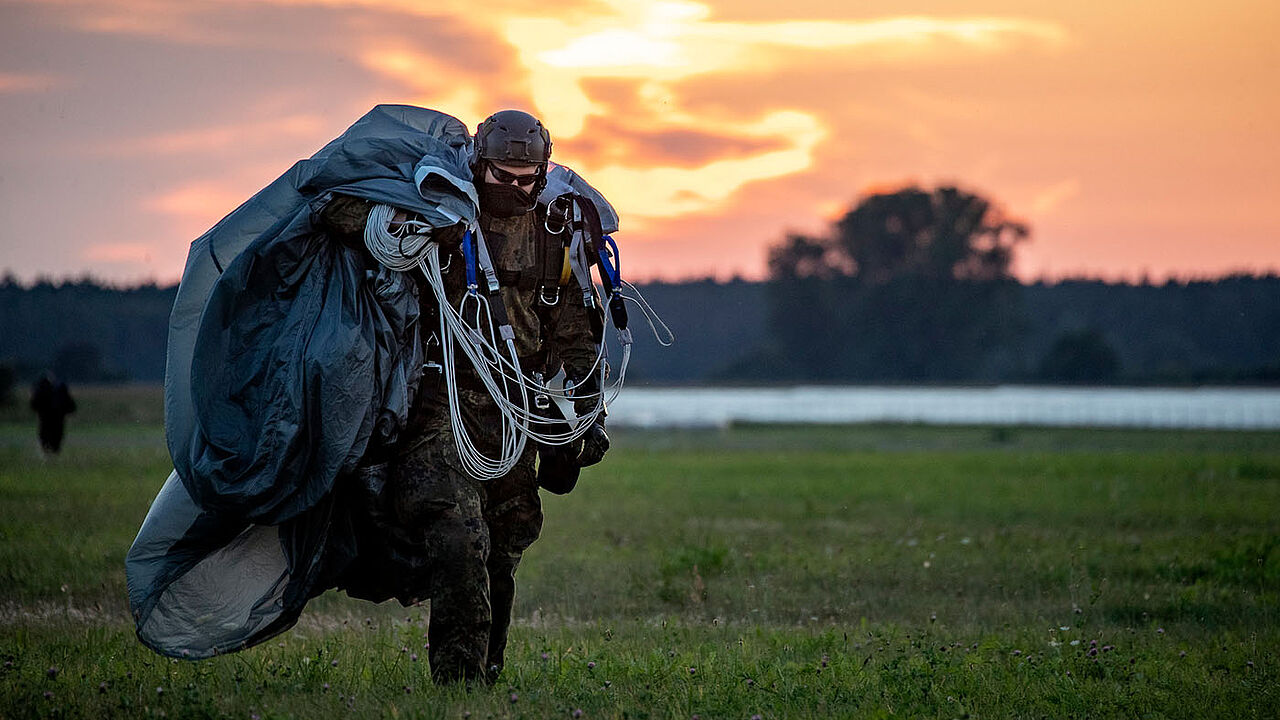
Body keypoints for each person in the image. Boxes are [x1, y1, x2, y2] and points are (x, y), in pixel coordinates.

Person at [320, 110, 611, 684]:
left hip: (513, 415)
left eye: (527, 178)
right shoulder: (437, 207)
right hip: (438, 406)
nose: (515, 189)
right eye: (502, 176)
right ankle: (459, 684)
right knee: (458, 537)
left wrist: (580, 417)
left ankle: (487, 676)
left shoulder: (556, 234)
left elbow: (577, 337)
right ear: (479, 165)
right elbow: (335, 208)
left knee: (502, 547)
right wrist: (419, 225)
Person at [30, 372, 76, 454]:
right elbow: (70, 405)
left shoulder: (42, 390)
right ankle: (53, 451)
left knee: (46, 436)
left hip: (47, 418)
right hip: (56, 418)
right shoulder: (60, 390)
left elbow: (34, 405)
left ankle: (49, 451)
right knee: (55, 436)